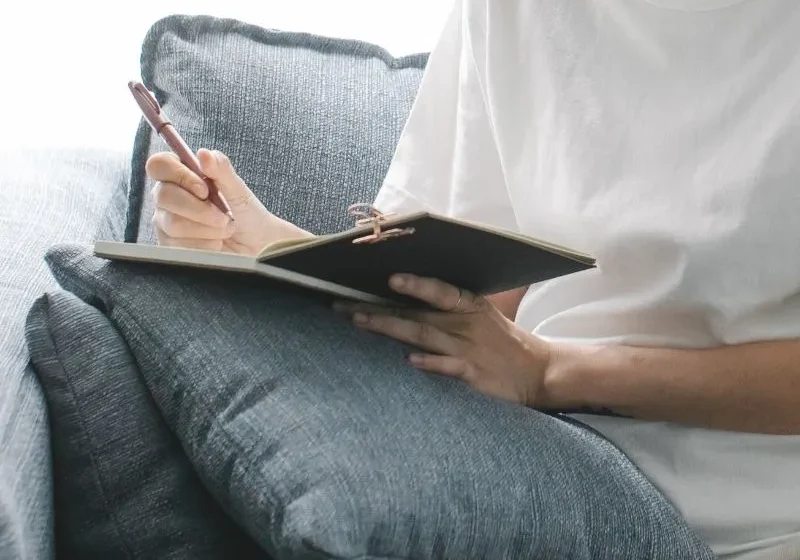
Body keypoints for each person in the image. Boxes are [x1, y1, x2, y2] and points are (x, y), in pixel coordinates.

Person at [144, 0, 800, 558]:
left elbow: (520, 360)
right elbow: (464, 298)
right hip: (542, 467)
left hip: (762, 520)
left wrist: (552, 372)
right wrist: (267, 246)